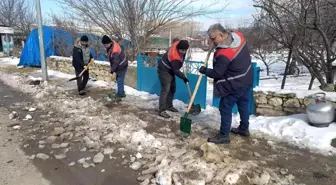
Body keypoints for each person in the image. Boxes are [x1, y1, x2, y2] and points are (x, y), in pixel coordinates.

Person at [199, 23, 253, 144]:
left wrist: (204, 70)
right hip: (246, 77)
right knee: (243, 104)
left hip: (234, 83)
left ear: (221, 35)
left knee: (225, 107)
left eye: (213, 39)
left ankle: (224, 135)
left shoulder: (224, 53)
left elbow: (218, 73)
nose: (211, 41)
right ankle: (244, 129)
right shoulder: (238, 36)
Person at [157, 40, 190, 118]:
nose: (183, 52)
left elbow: (177, 42)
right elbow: (176, 71)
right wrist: (184, 77)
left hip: (170, 68)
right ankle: (161, 110)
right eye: (181, 50)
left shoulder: (178, 43)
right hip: (164, 70)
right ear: (178, 48)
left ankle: (169, 105)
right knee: (166, 89)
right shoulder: (174, 56)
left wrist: (182, 61)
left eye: (185, 50)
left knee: (172, 89)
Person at [101, 35, 128, 100]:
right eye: (104, 45)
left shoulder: (115, 50)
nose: (106, 46)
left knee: (119, 80)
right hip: (120, 64)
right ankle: (121, 92)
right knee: (118, 79)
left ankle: (120, 95)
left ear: (110, 42)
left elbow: (116, 62)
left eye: (107, 44)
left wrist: (111, 71)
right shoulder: (112, 44)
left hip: (122, 65)